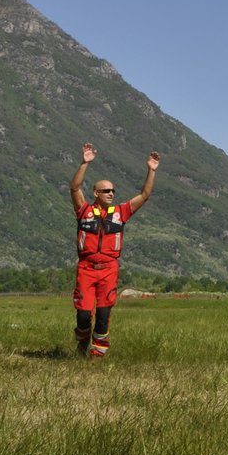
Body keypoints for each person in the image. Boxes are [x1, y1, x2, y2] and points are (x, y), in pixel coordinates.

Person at [68, 143, 158, 358]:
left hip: (109, 269)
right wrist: (84, 163)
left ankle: (98, 352)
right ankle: (82, 342)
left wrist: (151, 170)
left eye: (113, 191)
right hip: (87, 268)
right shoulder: (84, 211)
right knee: (82, 314)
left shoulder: (121, 212)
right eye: (106, 190)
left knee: (103, 313)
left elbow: (144, 195)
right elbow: (74, 188)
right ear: (96, 193)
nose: (111, 193)